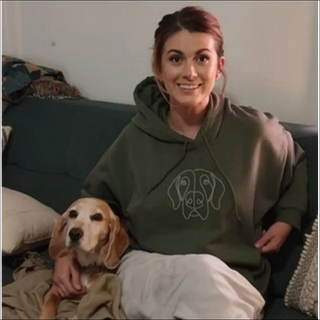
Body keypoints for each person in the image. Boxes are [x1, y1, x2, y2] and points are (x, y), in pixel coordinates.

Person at [52, 6, 308, 319]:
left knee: (204, 274)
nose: (189, 72)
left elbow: (296, 162)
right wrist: (68, 254)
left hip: (229, 278)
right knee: (188, 276)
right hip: (147, 269)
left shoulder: (254, 133)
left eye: (202, 58)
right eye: (175, 59)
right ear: (158, 68)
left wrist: (288, 218)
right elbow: (93, 204)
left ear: (219, 66)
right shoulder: (134, 139)